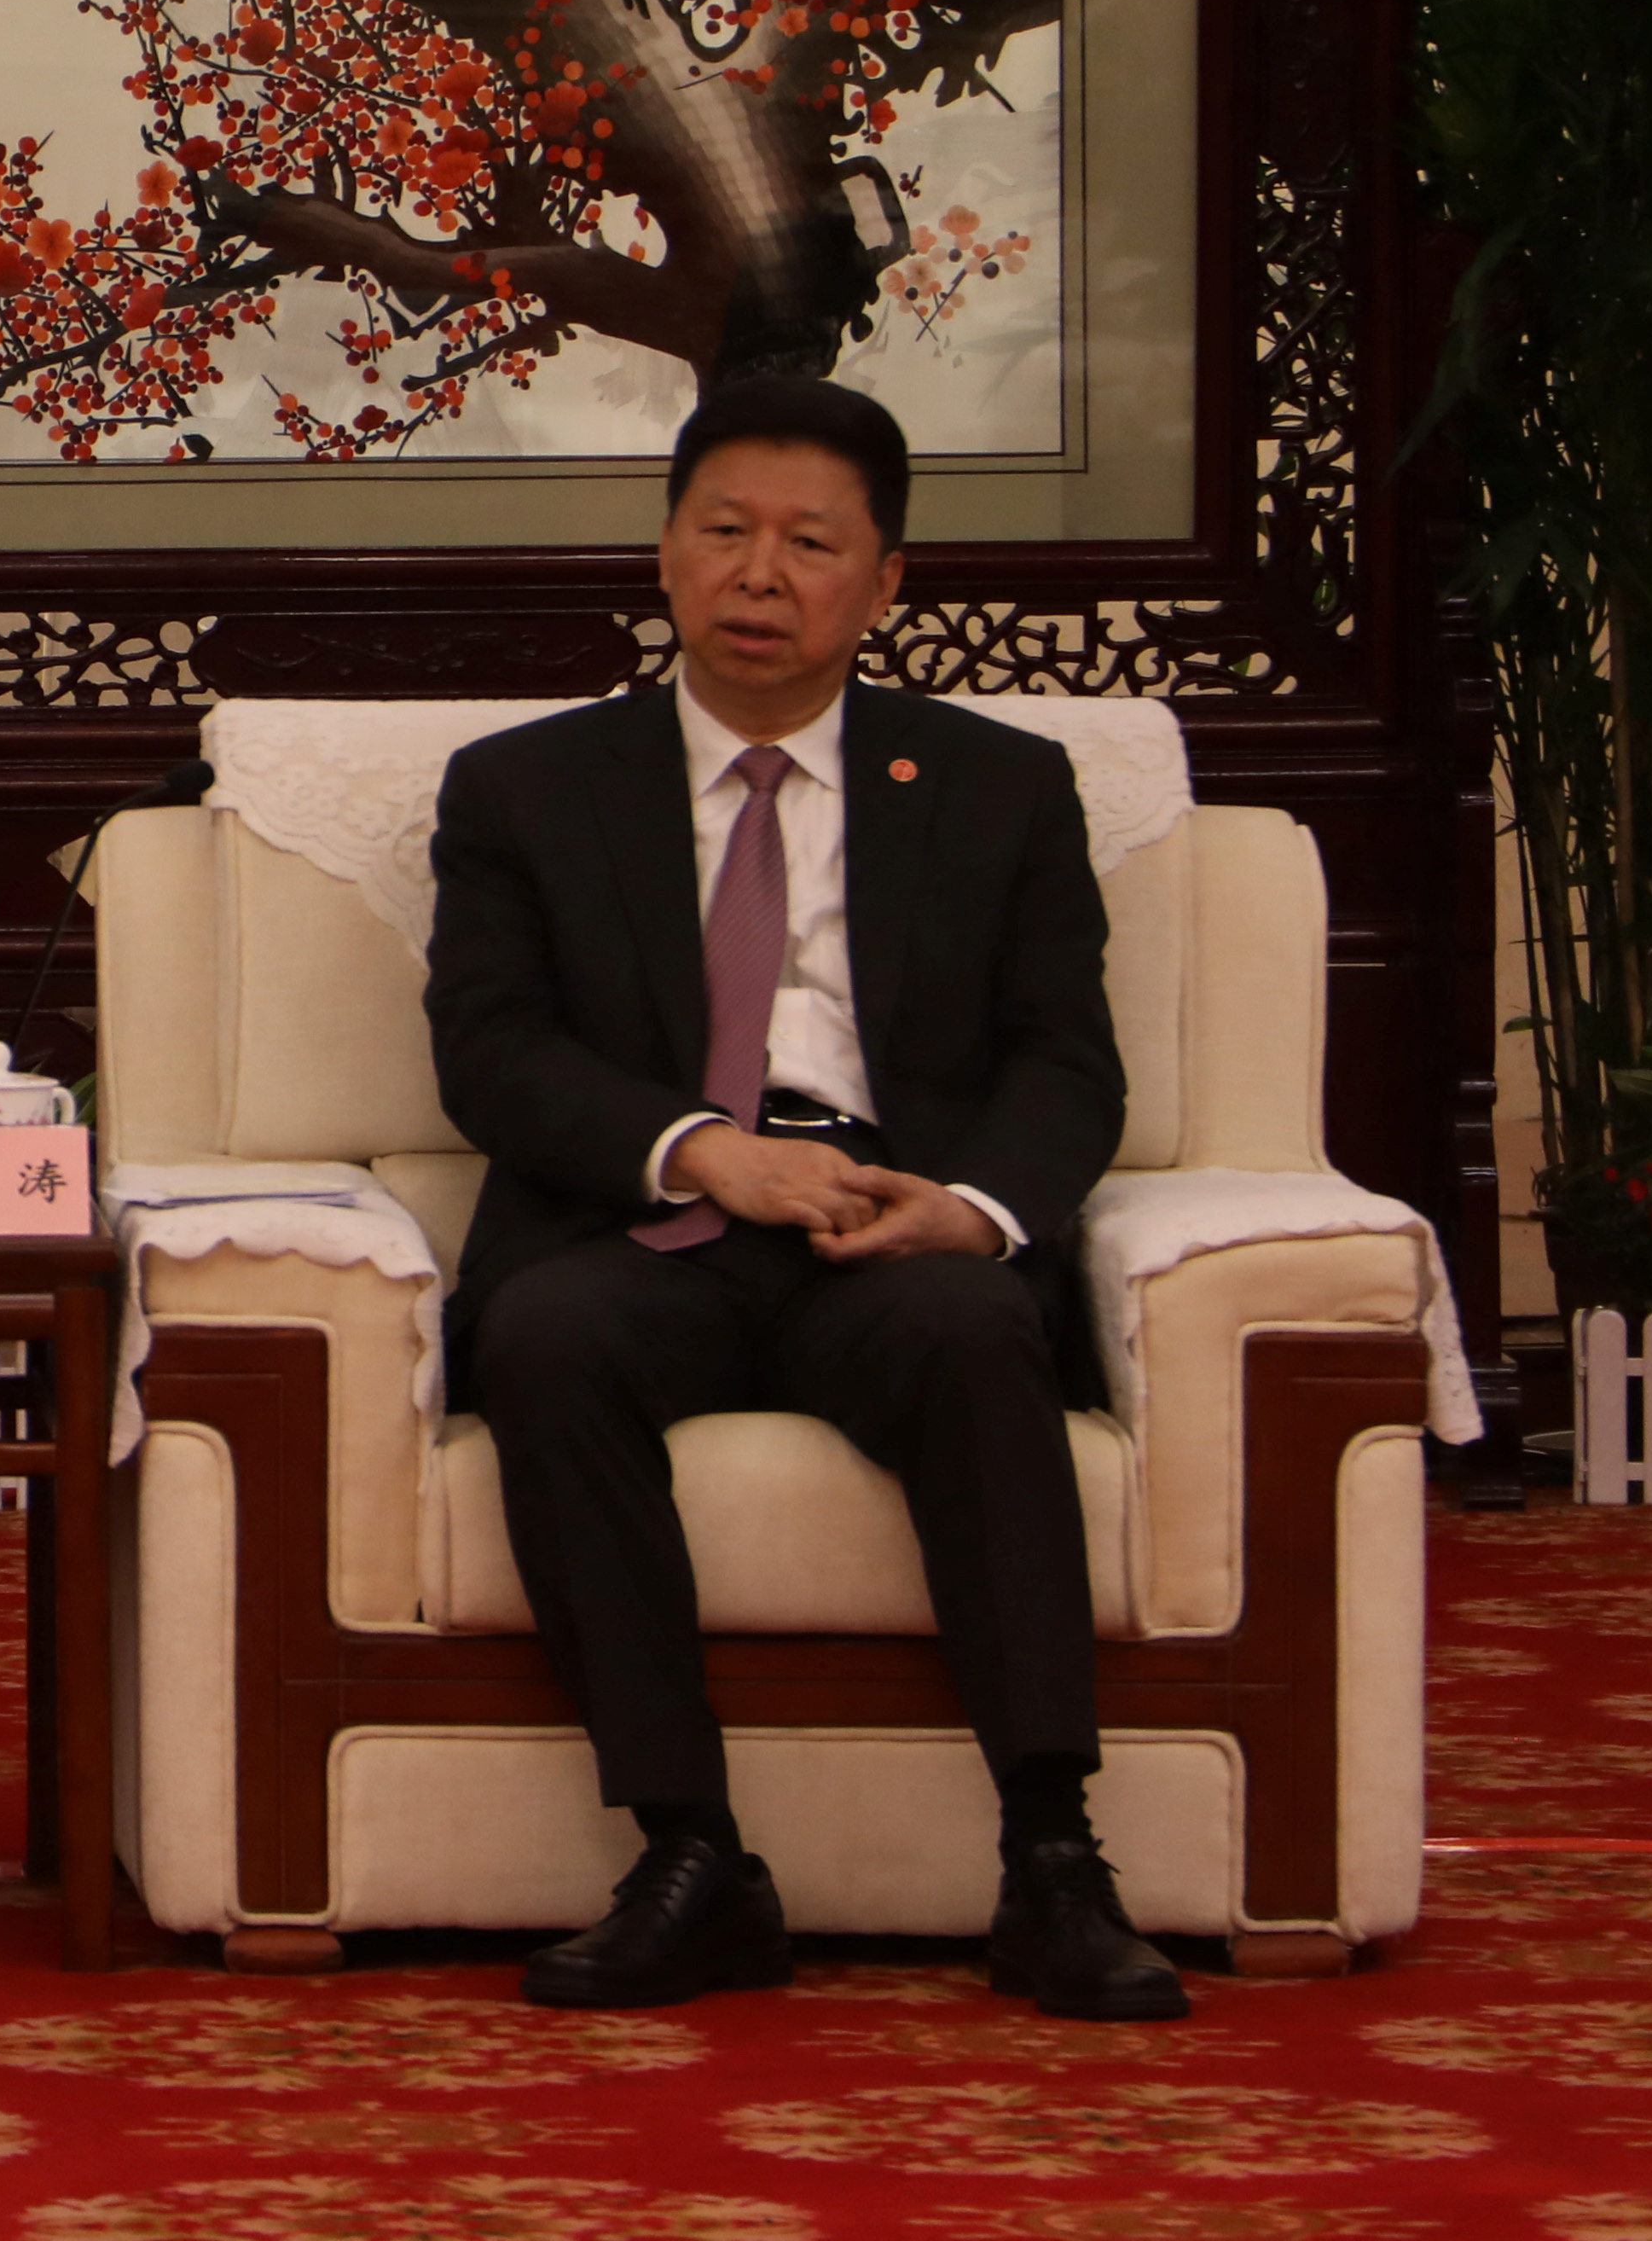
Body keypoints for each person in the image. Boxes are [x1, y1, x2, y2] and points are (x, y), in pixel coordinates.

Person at [422, 369, 1185, 2022]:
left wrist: (971, 1204)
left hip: (879, 1220)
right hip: (647, 1218)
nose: (759, 573)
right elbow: (491, 1054)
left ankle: (1052, 1851)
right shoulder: (522, 790)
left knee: (977, 1330)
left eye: (810, 542)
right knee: (546, 1341)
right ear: (664, 552)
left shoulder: (998, 787)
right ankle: (691, 1855)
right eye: (725, 531)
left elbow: (1071, 1066)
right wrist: (705, 1147)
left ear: (886, 580)